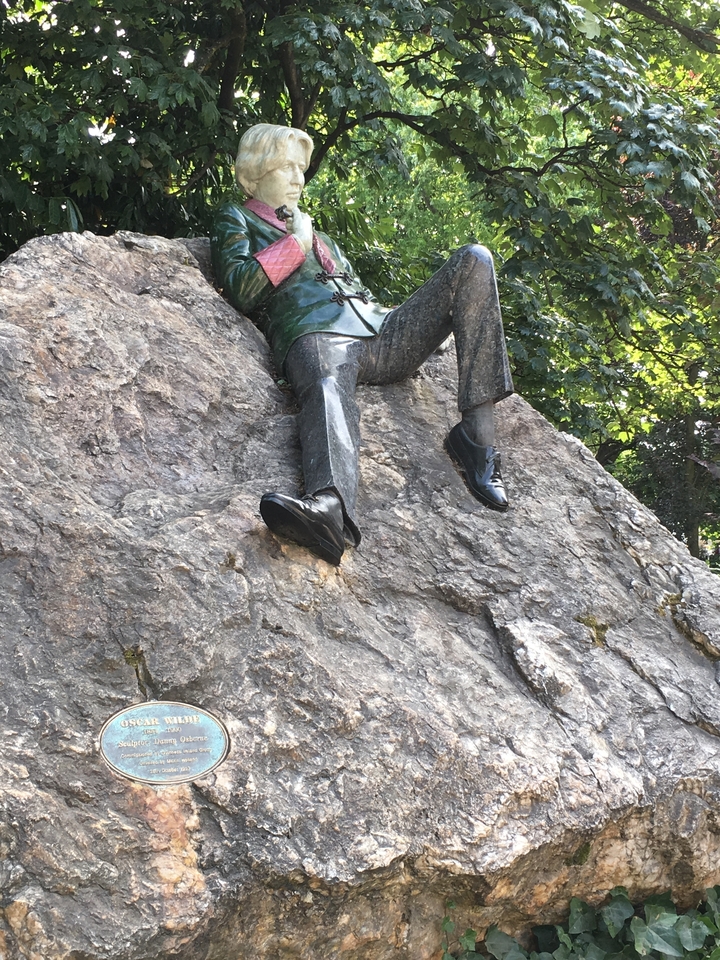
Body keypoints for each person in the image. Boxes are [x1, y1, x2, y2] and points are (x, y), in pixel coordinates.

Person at [211, 124, 514, 565]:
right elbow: (240, 287)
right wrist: (295, 243)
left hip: (380, 330)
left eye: (301, 169)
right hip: (318, 334)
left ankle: (477, 438)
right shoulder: (236, 218)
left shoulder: (323, 236)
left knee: (475, 259)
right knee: (327, 383)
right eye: (285, 168)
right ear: (252, 177)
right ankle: (330, 509)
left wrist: (312, 239)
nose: (298, 179)